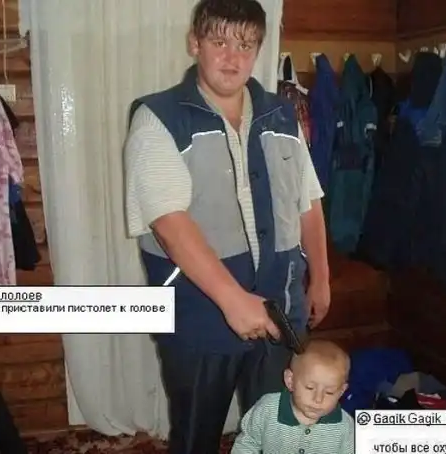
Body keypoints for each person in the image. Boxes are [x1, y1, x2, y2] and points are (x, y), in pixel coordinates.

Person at [123, 0, 331, 452]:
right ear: (194, 43)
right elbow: (169, 223)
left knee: (277, 434)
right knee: (196, 437)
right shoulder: (158, 118)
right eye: (219, 42)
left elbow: (308, 201)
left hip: (281, 311)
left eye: (245, 45)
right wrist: (233, 301)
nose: (232, 58)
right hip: (199, 319)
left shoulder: (282, 115)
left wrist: (321, 278)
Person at [231, 340, 354, 454]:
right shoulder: (267, 409)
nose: (318, 399)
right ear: (290, 381)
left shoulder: (345, 425)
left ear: (341, 391)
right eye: (310, 388)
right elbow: (247, 444)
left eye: (329, 392)